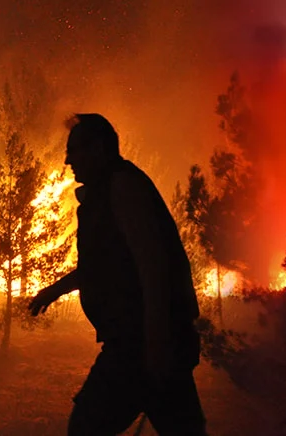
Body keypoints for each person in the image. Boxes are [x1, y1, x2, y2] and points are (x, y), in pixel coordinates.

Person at [28, 113, 207, 436]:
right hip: (141, 342)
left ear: (98, 149)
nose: (68, 160)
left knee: (86, 427)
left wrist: (155, 342)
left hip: (139, 346)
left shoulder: (123, 186)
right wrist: (54, 290)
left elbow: (152, 267)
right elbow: (104, 267)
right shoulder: (105, 191)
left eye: (75, 150)